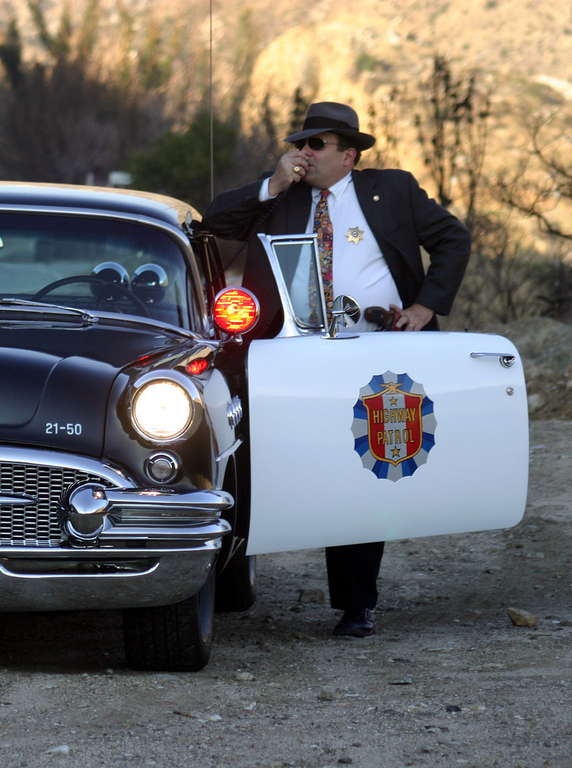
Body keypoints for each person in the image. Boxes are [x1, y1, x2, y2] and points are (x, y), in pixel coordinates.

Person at [202, 101, 470, 637]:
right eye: (299, 142)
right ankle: (226, 582)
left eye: (316, 144)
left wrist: (425, 306)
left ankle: (356, 606)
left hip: (373, 350)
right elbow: (211, 223)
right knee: (264, 464)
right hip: (287, 355)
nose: (303, 152)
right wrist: (271, 186)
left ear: (348, 155)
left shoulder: (391, 190)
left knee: (364, 469)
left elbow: (453, 239)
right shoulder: (278, 195)